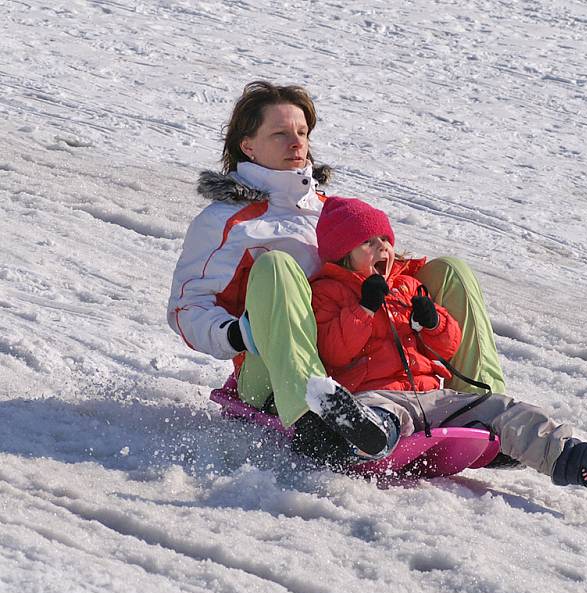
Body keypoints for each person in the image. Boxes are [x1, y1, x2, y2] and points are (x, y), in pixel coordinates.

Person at [166, 81, 505, 463]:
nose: (296, 143)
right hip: (271, 371)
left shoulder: (330, 211)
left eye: (301, 132)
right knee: (278, 267)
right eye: (279, 134)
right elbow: (186, 307)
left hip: (350, 359)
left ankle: (485, 407)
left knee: (449, 271)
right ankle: (313, 416)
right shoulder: (226, 222)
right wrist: (238, 334)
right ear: (248, 146)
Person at [308, 196, 587, 498]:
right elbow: (335, 352)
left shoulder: (407, 286)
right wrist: (363, 310)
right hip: (375, 395)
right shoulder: (329, 293)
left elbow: (449, 347)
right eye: (367, 242)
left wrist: (434, 321)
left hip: (430, 398)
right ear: (343, 254)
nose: (381, 248)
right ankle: (366, 436)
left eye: (384, 239)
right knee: (382, 413)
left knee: (505, 410)